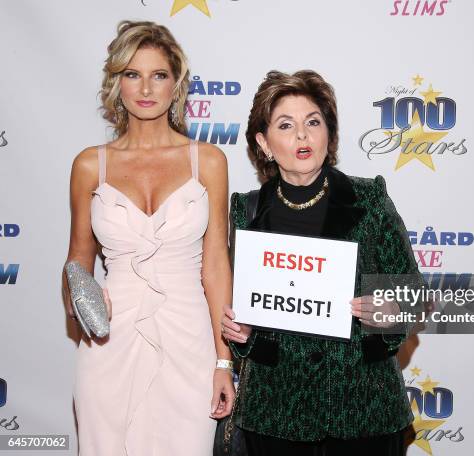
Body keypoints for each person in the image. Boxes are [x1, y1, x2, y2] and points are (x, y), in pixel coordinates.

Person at [221, 70, 424, 456]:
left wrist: (391, 312)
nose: (302, 135)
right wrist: (242, 335)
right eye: (286, 125)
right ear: (264, 143)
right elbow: (242, 312)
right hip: (275, 417)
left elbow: (412, 293)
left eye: (313, 122)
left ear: (328, 133)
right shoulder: (245, 211)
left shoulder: (370, 200)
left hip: (365, 414)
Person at [62, 21, 233, 456]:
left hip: (189, 338)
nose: (146, 87)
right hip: (110, 339)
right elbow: (77, 262)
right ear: (116, 82)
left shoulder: (208, 161)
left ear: (176, 84)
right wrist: (81, 301)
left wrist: (223, 361)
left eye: (158, 75)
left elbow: (215, 268)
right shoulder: (89, 166)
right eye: (132, 74)